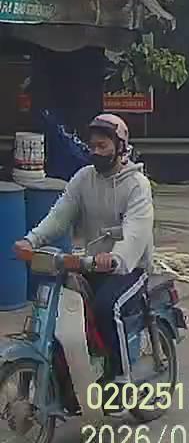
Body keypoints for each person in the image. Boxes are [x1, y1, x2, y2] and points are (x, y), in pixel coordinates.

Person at [15, 114, 155, 382]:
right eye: (93, 146)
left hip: (129, 268)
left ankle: (121, 379)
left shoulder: (137, 185)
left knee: (107, 308)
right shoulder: (83, 178)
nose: (96, 151)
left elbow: (136, 232)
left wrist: (116, 258)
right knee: (60, 306)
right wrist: (31, 240)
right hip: (90, 263)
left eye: (103, 146)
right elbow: (60, 215)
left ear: (120, 147)